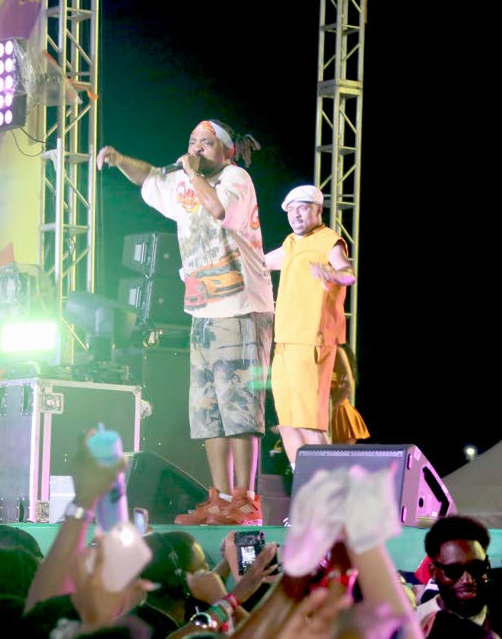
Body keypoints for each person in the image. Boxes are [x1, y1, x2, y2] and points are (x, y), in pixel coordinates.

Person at [98, 119, 273, 526]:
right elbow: (150, 177)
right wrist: (120, 160)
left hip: (240, 307)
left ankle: (246, 500)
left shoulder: (235, 179)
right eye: (193, 141)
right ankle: (220, 498)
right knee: (208, 410)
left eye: (206, 143)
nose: (196, 149)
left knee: (239, 407)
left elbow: (219, 210)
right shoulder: (184, 183)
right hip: (202, 310)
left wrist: (193, 175)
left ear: (227, 151)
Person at [264, 184, 356, 464]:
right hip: (284, 342)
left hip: (311, 342)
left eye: (303, 208)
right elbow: (259, 263)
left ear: (318, 211)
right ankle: (303, 481)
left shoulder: (329, 241)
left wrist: (330, 274)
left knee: (308, 423)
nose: (296, 215)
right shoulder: (292, 243)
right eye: (291, 210)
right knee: (287, 422)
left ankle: (329, 484)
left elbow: (348, 273)